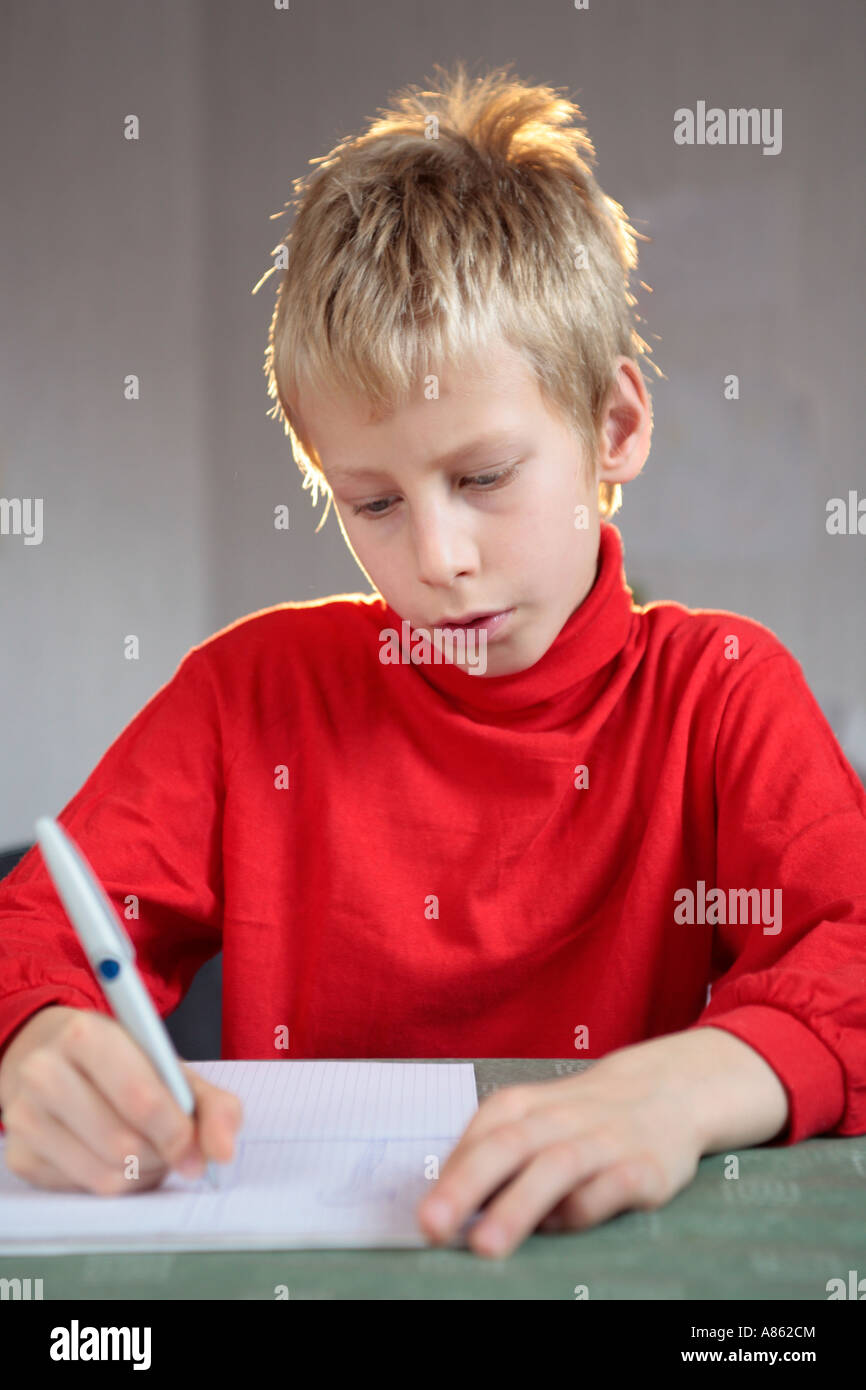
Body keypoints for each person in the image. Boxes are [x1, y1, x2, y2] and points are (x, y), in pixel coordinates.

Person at [1, 63, 864, 1261]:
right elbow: (35, 927)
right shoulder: (250, 695)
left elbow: (850, 947)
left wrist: (682, 1090)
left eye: (482, 479)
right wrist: (35, 1045)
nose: (436, 559)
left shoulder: (719, 691)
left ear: (612, 428)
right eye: (373, 502)